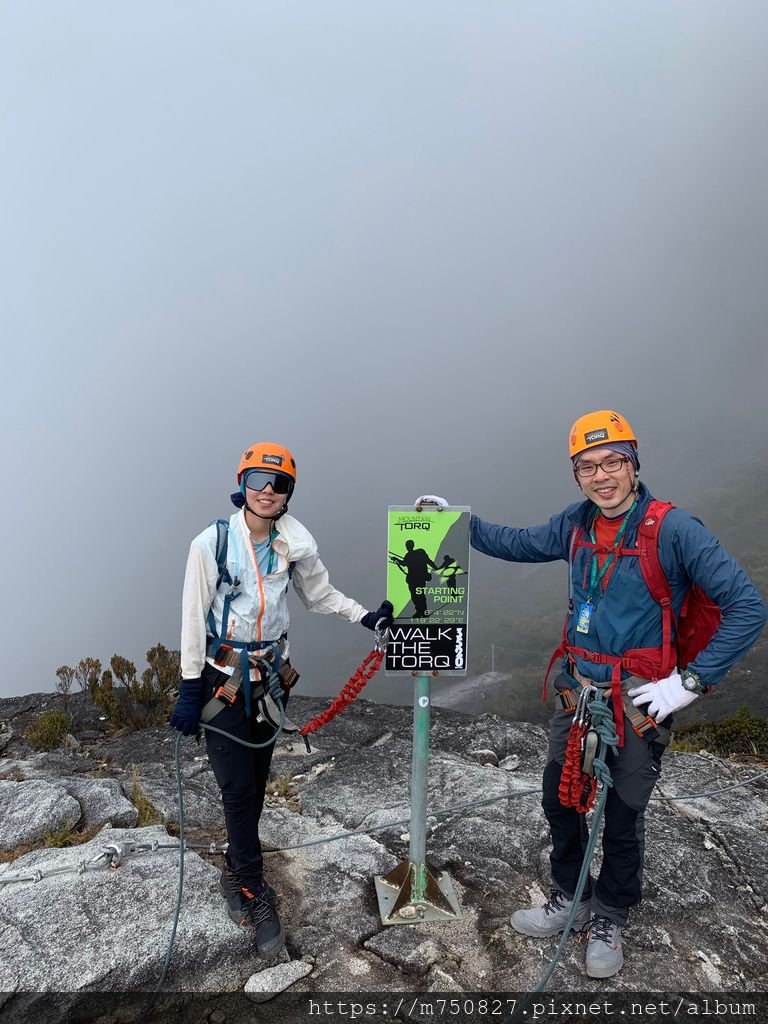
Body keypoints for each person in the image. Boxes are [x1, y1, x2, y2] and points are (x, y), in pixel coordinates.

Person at [418, 410, 767, 978]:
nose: (602, 475)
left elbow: (748, 606)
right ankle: (570, 897)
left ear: (634, 465)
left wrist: (689, 684)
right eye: (588, 466)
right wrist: (459, 522)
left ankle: (609, 913)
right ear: (576, 474)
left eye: (614, 463)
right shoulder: (575, 524)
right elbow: (517, 543)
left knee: (623, 814)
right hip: (577, 691)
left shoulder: (673, 529)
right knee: (561, 798)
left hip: (637, 700)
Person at [170, 442, 392, 956]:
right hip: (222, 680)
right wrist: (188, 688)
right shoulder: (212, 543)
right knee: (238, 788)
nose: (267, 492)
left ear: (289, 492)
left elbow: (319, 595)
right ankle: (249, 882)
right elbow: (191, 614)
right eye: (258, 483)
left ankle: (237, 860)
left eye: (279, 484)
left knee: (259, 781)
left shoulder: (294, 543)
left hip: (270, 680)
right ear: (242, 485)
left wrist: (365, 616)